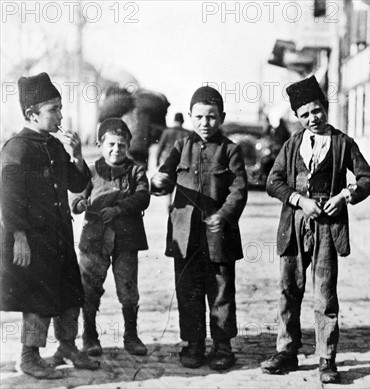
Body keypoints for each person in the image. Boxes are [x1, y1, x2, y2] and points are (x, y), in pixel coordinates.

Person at [261, 75, 370, 384]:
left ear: (326, 107)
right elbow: (273, 181)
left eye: (317, 110)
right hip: (296, 223)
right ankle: (287, 350)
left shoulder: (342, 143)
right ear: (298, 117)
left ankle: (327, 357)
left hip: (328, 224)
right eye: (305, 114)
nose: (313, 118)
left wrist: (344, 196)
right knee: (289, 288)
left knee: (325, 293)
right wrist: (298, 200)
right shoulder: (292, 143)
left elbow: (368, 179)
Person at [0, 72, 99, 379]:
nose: (60, 115)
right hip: (31, 238)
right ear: (32, 114)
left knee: (70, 289)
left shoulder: (54, 146)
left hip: (59, 236)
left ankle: (67, 346)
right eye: (53, 109)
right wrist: (18, 236)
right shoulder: (16, 148)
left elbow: (78, 182)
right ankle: (29, 357)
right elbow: (8, 197)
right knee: (37, 297)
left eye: (60, 107)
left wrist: (77, 156)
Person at [151, 86, 248, 370]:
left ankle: (222, 346)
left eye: (212, 117)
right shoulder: (181, 146)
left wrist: (225, 214)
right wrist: (159, 183)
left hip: (219, 237)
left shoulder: (231, 150)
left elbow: (239, 189)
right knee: (188, 291)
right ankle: (193, 343)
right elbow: (167, 175)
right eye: (200, 117)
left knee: (220, 292)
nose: (205, 123)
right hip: (185, 236)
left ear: (222, 117)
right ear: (191, 118)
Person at [70, 118, 150, 357]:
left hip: (126, 240)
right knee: (89, 288)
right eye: (111, 144)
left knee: (128, 288)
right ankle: (90, 335)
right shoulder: (91, 171)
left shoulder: (136, 170)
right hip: (94, 240)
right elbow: (75, 195)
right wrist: (80, 203)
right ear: (100, 144)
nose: (117, 150)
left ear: (129, 146)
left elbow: (143, 196)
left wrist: (119, 209)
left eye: (122, 145)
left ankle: (131, 335)